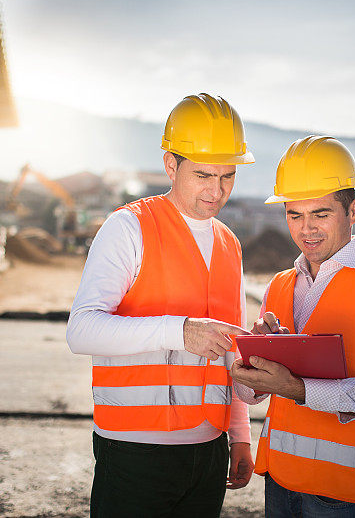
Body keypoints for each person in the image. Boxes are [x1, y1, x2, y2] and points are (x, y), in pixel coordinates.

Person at [67, 93, 255, 517]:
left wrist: (240, 433)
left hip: (209, 451)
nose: (217, 190)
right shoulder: (128, 227)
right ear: (171, 165)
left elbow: (230, 348)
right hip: (135, 452)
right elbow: (81, 330)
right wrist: (180, 330)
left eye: (228, 176)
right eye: (204, 175)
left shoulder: (230, 245)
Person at [230, 135, 355, 517]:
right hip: (280, 484)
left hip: (345, 495)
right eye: (294, 215)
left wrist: (296, 387)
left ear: (353, 210)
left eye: (321, 214)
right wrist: (250, 366)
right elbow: (248, 394)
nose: (307, 229)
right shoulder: (281, 284)